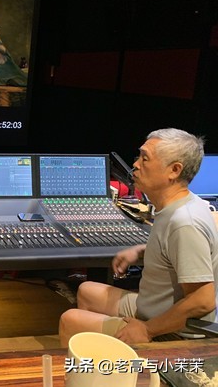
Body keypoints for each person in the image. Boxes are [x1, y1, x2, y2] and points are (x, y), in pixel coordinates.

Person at [59, 128, 218, 345]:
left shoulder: (184, 223)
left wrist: (147, 330)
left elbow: (202, 301)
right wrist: (142, 251)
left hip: (177, 329)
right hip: (152, 307)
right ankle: (107, 355)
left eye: (145, 159)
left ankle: (115, 357)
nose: (135, 164)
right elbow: (176, 251)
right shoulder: (183, 204)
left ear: (174, 170)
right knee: (86, 291)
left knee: (70, 320)